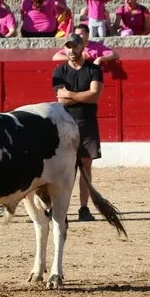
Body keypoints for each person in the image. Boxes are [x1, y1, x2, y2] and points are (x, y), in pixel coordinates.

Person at [52, 33, 103, 222]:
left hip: (86, 123)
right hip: (64, 124)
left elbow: (95, 96)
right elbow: (60, 99)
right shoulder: (59, 71)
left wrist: (71, 94)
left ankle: (83, 208)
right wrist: (84, 95)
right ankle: (60, 208)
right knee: (64, 168)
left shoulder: (93, 69)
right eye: (68, 47)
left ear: (82, 47)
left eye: (75, 46)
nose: (71, 51)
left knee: (86, 167)